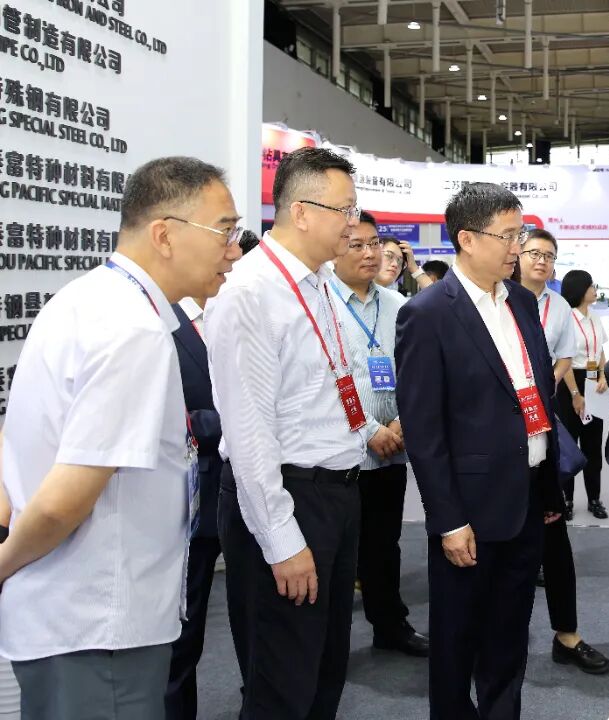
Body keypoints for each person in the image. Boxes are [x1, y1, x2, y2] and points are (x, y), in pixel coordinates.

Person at [0, 156, 242, 719]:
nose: (234, 251)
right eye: (225, 231)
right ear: (164, 234)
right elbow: (64, 501)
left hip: (77, 618)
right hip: (98, 626)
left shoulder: (87, 300)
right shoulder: (132, 330)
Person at [204, 146, 366, 719]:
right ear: (301, 211)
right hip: (287, 498)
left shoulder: (317, 282)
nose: (353, 223)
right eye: (345, 210)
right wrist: (281, 540)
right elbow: (249, 433)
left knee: (324, 669)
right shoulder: (251, 292)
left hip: (335, 494)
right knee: (282, 682)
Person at [395, 182, 564, 719]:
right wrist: (448, 519)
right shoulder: (427, 314)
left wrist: (548, 485)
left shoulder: (521, 301)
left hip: (527, 496)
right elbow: (424, 430)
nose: (519, 248)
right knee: (456, 642)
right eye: (508, 236)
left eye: (521, 233)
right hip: (468, 510)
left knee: (509, 637)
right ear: (467, 239)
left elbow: (536, 395)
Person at [166, 233, 259, 720]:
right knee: (184, 634)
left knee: (258, 622)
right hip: (193, 500)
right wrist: (239, 419)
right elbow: (163, 415)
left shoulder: (250, 317)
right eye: (227, 258)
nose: (232, 269)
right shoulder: (163, 323)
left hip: (255, 493)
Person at [330, 213, 428, 657]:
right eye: (357, 245)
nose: (369, 253)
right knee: (336, 552)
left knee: (384, 546)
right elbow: (325, 379)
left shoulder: (397, 306)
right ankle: (328, 644)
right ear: (335, 248)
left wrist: (402, 422)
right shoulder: (322, 304)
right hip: (342, 453)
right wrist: (369, 429)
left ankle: (390, 625)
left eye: (374, 244)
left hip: (392, 450)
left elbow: (415, 370)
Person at [519, 229, 609, 675]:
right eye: (533, 253)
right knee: (503, 541)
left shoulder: (557, 307)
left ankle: (567, 635)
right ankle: (500, 636)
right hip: (499, 435)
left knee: (555, 538)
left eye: (549, 255)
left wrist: (549, 385)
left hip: (543, 417)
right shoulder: (497, 299)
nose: (541, 261)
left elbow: (564, 356)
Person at [559, 270, 609, 520]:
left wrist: (603, 375)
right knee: (569, 444)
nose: (594, 289)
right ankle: (567, 499)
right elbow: (564, 359)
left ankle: (594, 499)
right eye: (591, 285)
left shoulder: (595, 317)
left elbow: (599, 351)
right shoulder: (567, 319)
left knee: (593, 444)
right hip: (570, 383)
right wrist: (575, 394)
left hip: (593, 382)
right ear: (580, 289)